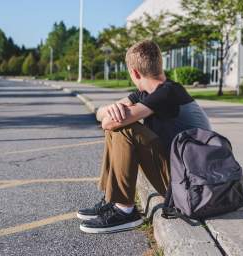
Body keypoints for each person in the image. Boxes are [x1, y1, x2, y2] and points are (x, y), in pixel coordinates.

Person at [77, 40, 212, 234]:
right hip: (184, 178)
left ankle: (125, 210)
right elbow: (100, 114)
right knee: (119, 125)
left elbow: (108, 123)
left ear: (134, 73)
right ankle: (112, 199)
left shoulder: (167, 93)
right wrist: (112, 108)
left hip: (192, 186)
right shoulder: (148, 93)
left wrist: (113, 114)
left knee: (125, 129)